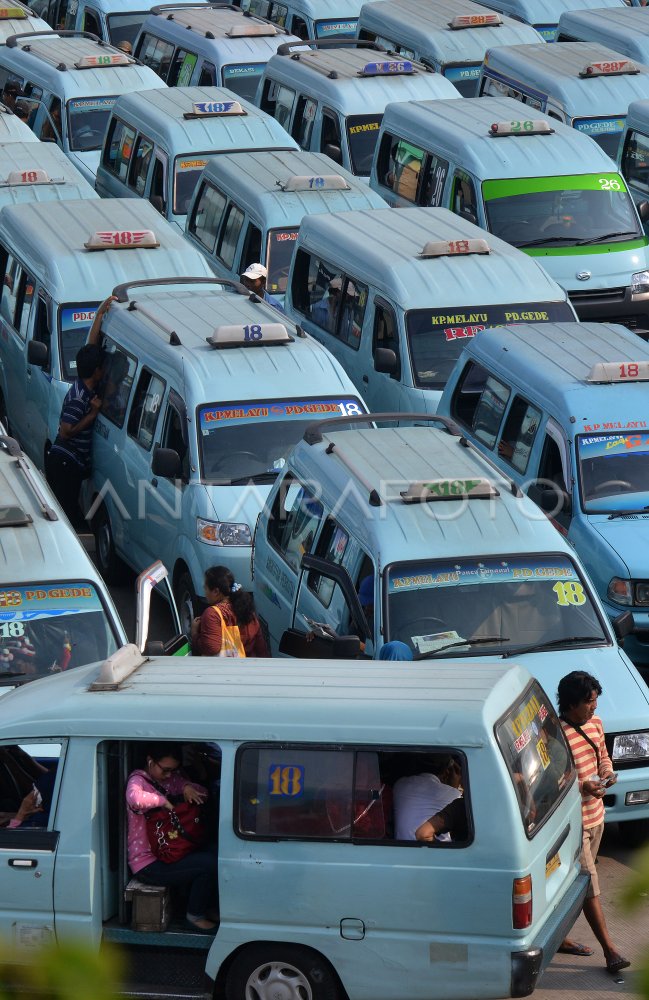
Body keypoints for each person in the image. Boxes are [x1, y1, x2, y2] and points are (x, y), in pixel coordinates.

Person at [556, 671, 630, 974]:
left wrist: (607, 774)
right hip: (575, 824)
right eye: (589, 702)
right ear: (572, 704)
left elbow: (603, 758)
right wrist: (582, 786)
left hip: (597, 816)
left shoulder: (596, 724)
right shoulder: (555, 735)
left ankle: (558, 937)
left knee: (574, 886)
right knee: (589, 885)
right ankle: (610, 950)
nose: (594, 708)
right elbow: (553, 782)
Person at [125, 744, 218, 932]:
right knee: (209, 865)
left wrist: (186, 787)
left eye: (173, 771)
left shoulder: (171, 780)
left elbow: (204, 792)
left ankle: (209, 908)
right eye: (165, 770)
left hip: (171, 851)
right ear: (151, 762)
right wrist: (162, 800)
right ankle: (194, 915)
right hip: (148, 864)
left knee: (214, 851)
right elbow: (134, 798)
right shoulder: (138, 780)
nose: (169, 775)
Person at [45, 342, 104, 527]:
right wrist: (92, 415)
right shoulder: (78, 397)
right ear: (96, 371)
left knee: (70, 514)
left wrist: (101, 313)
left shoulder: (87, 390)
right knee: (66, 517)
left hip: (69, 465)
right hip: (64, 465)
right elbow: (66, 431)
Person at [191, 565, 269, 657]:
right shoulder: (246, 609)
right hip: (248, 668)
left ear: (216, 591)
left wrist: (195, 634)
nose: (204, 591)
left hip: (225, 669)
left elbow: (211, 648)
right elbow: (261, 647)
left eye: (206, 587)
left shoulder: (212, 614)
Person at [394, 755, 462, 841]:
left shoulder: (400, 784)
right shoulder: (454, 794)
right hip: (436, 851)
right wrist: (454, 788)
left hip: (401, 849)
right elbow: (455, 812)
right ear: (446, 772)